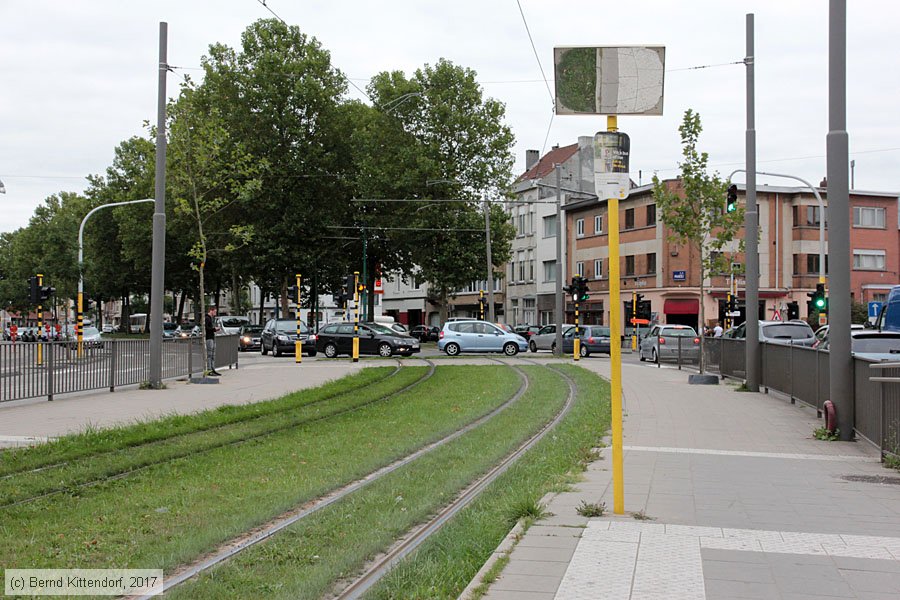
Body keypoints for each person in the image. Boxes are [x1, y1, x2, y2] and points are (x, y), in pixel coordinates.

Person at [204, 306, 222, 376]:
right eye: (215, 311)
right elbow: (207, 328)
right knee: (210, 355)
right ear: (211, 311)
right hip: (209, 338)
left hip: (212, 337)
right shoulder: (207, 318)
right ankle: (209, 370)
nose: (215, 313)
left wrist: (214, 329)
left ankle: (212, 368)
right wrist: (215, 329)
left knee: (212, 355)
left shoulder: (210, 318)